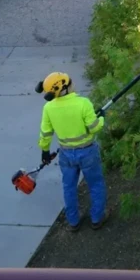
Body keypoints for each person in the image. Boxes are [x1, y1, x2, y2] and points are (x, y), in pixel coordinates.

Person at [36, 72, 108, 231]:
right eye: (70, 82)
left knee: (69, 187)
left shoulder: (48, 107)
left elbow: (45, 133)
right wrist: (101, 118)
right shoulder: (83, 103)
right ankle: (97, 218)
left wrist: (45, 151)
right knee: (95, 184)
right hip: (87, 152)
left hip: (66, 154)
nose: (73, 83)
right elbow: (94, 127)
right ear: (64, 88)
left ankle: (73, 221)